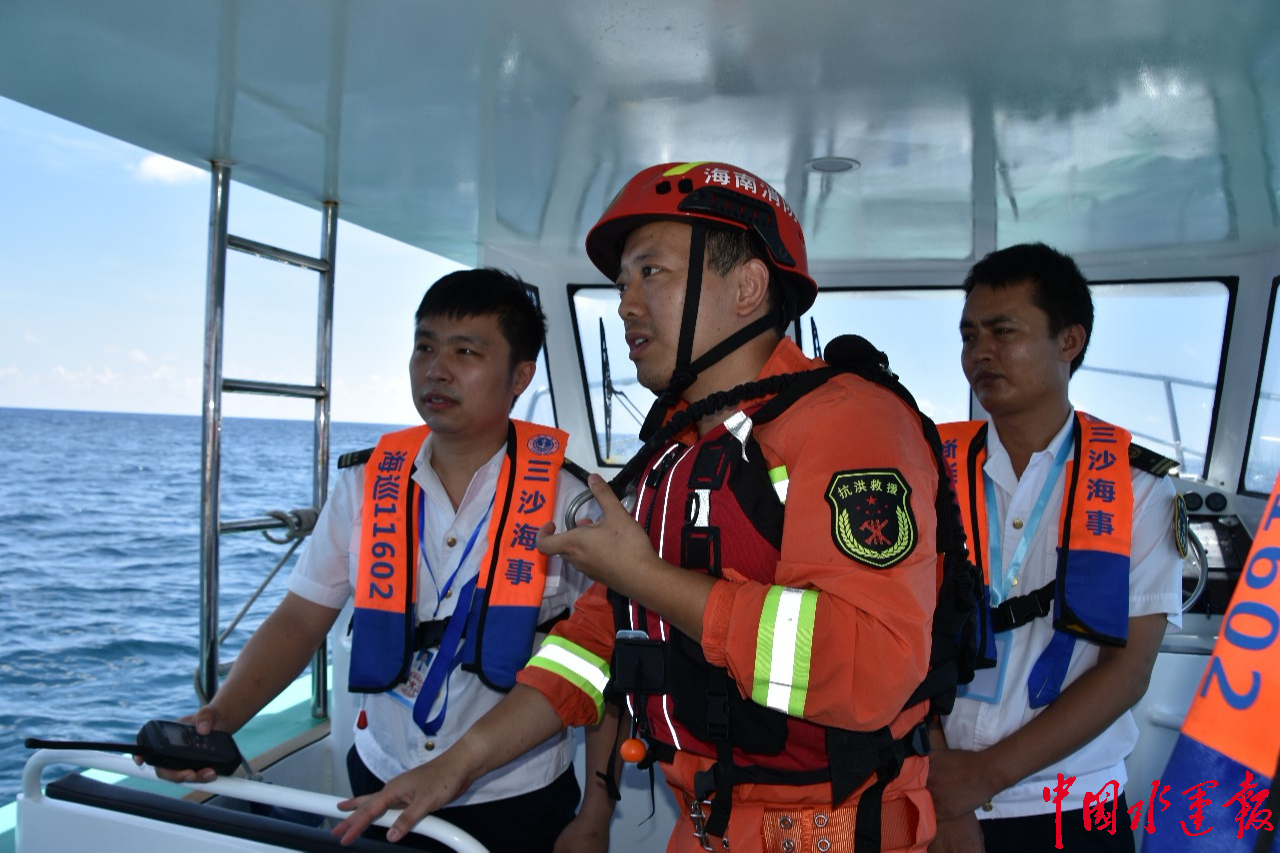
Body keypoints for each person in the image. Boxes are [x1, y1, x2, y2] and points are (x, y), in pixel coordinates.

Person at [334, 162, 943, 852]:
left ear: (747, 286)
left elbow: (870, 668)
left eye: (651, 273)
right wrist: (453, 768)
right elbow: (591, 650)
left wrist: (644, 576)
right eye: (621, 281)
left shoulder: (849, 422)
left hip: (832, 831)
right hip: (704, 823)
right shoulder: (675, 448)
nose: (624, 303)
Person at [154, 268, 616, 852]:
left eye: (465, 351)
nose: (435, 369)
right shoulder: (363, 486)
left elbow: (604, 665)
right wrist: (219, 719)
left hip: (515, 795)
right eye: (423, 347)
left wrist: (596, 813)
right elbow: (299, 621)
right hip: (377, 781)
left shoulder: (574, 506)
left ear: (520, 376)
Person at [929, 244, 1185, 852]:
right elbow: (887, 639)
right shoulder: (923, 470)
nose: (979, 352)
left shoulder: (1139, 488)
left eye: (1003, 331)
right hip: (931, 792)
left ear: (1069, 341)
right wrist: (942, 790)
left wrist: (980, 779)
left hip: (1076, 802)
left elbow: (1129, 671)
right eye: (969, 335)